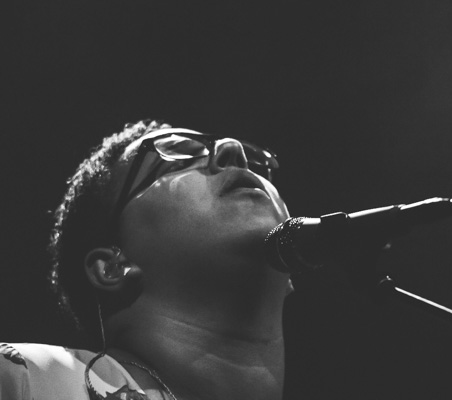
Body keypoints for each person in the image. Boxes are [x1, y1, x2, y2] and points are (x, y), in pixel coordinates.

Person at [0, 120, 292, 400]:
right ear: (112, 267)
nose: (233, 148)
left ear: (290, 276)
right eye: (178, 157)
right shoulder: (21, 379)